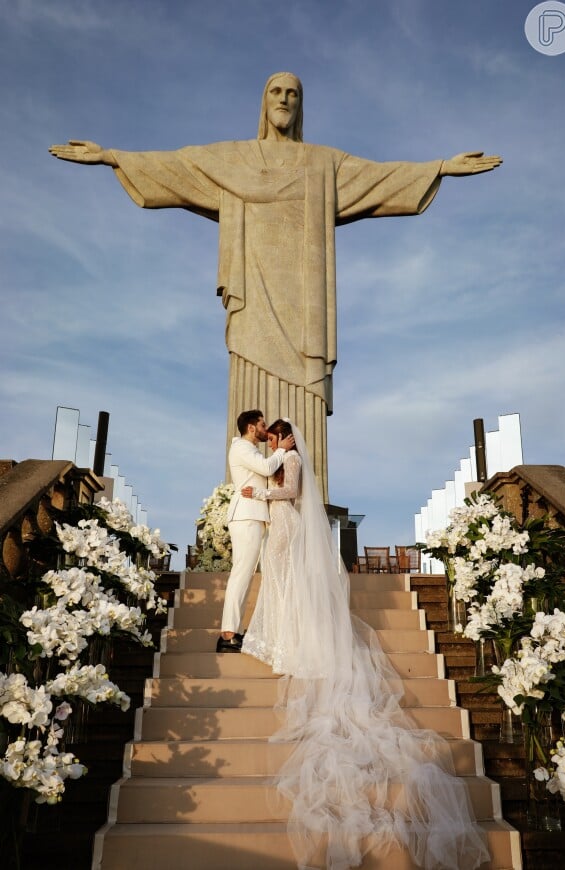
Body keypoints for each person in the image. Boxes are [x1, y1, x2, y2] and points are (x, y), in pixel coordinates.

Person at [48, 72, 502, 502]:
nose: (284, 99)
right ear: (263, 103)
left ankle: (307, 515)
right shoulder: (235, 159)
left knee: (303, 395)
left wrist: (440, 167)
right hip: (252, 296)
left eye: (293, 94)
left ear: (300, 106)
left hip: (304, 303)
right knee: (248, 376)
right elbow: (178, 166)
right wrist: (112, 156)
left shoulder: (323, 163)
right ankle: (239, 511)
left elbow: (379, 177)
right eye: (276, 92)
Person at [240, 418, 490, 870]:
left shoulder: (290, 459)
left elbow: (292, 493)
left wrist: (262, 493)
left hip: (285, 524)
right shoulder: (276, 459)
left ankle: (294, 641)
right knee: (278, 586)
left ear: (281, 437)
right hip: (275, 528)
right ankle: (282, 639)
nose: (272, 443)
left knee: (286, 586)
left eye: (274, 437)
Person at [216, 409, 294, 653]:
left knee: (246, 574)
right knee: (241, 573)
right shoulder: (241, 448)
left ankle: (233, 630)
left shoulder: (249, 449)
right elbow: (267, 467)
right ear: (251, 428)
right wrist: (282, 448)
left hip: (255, 516)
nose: (264, 429)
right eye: (261, 425)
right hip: (246, 515)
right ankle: (228, 634)